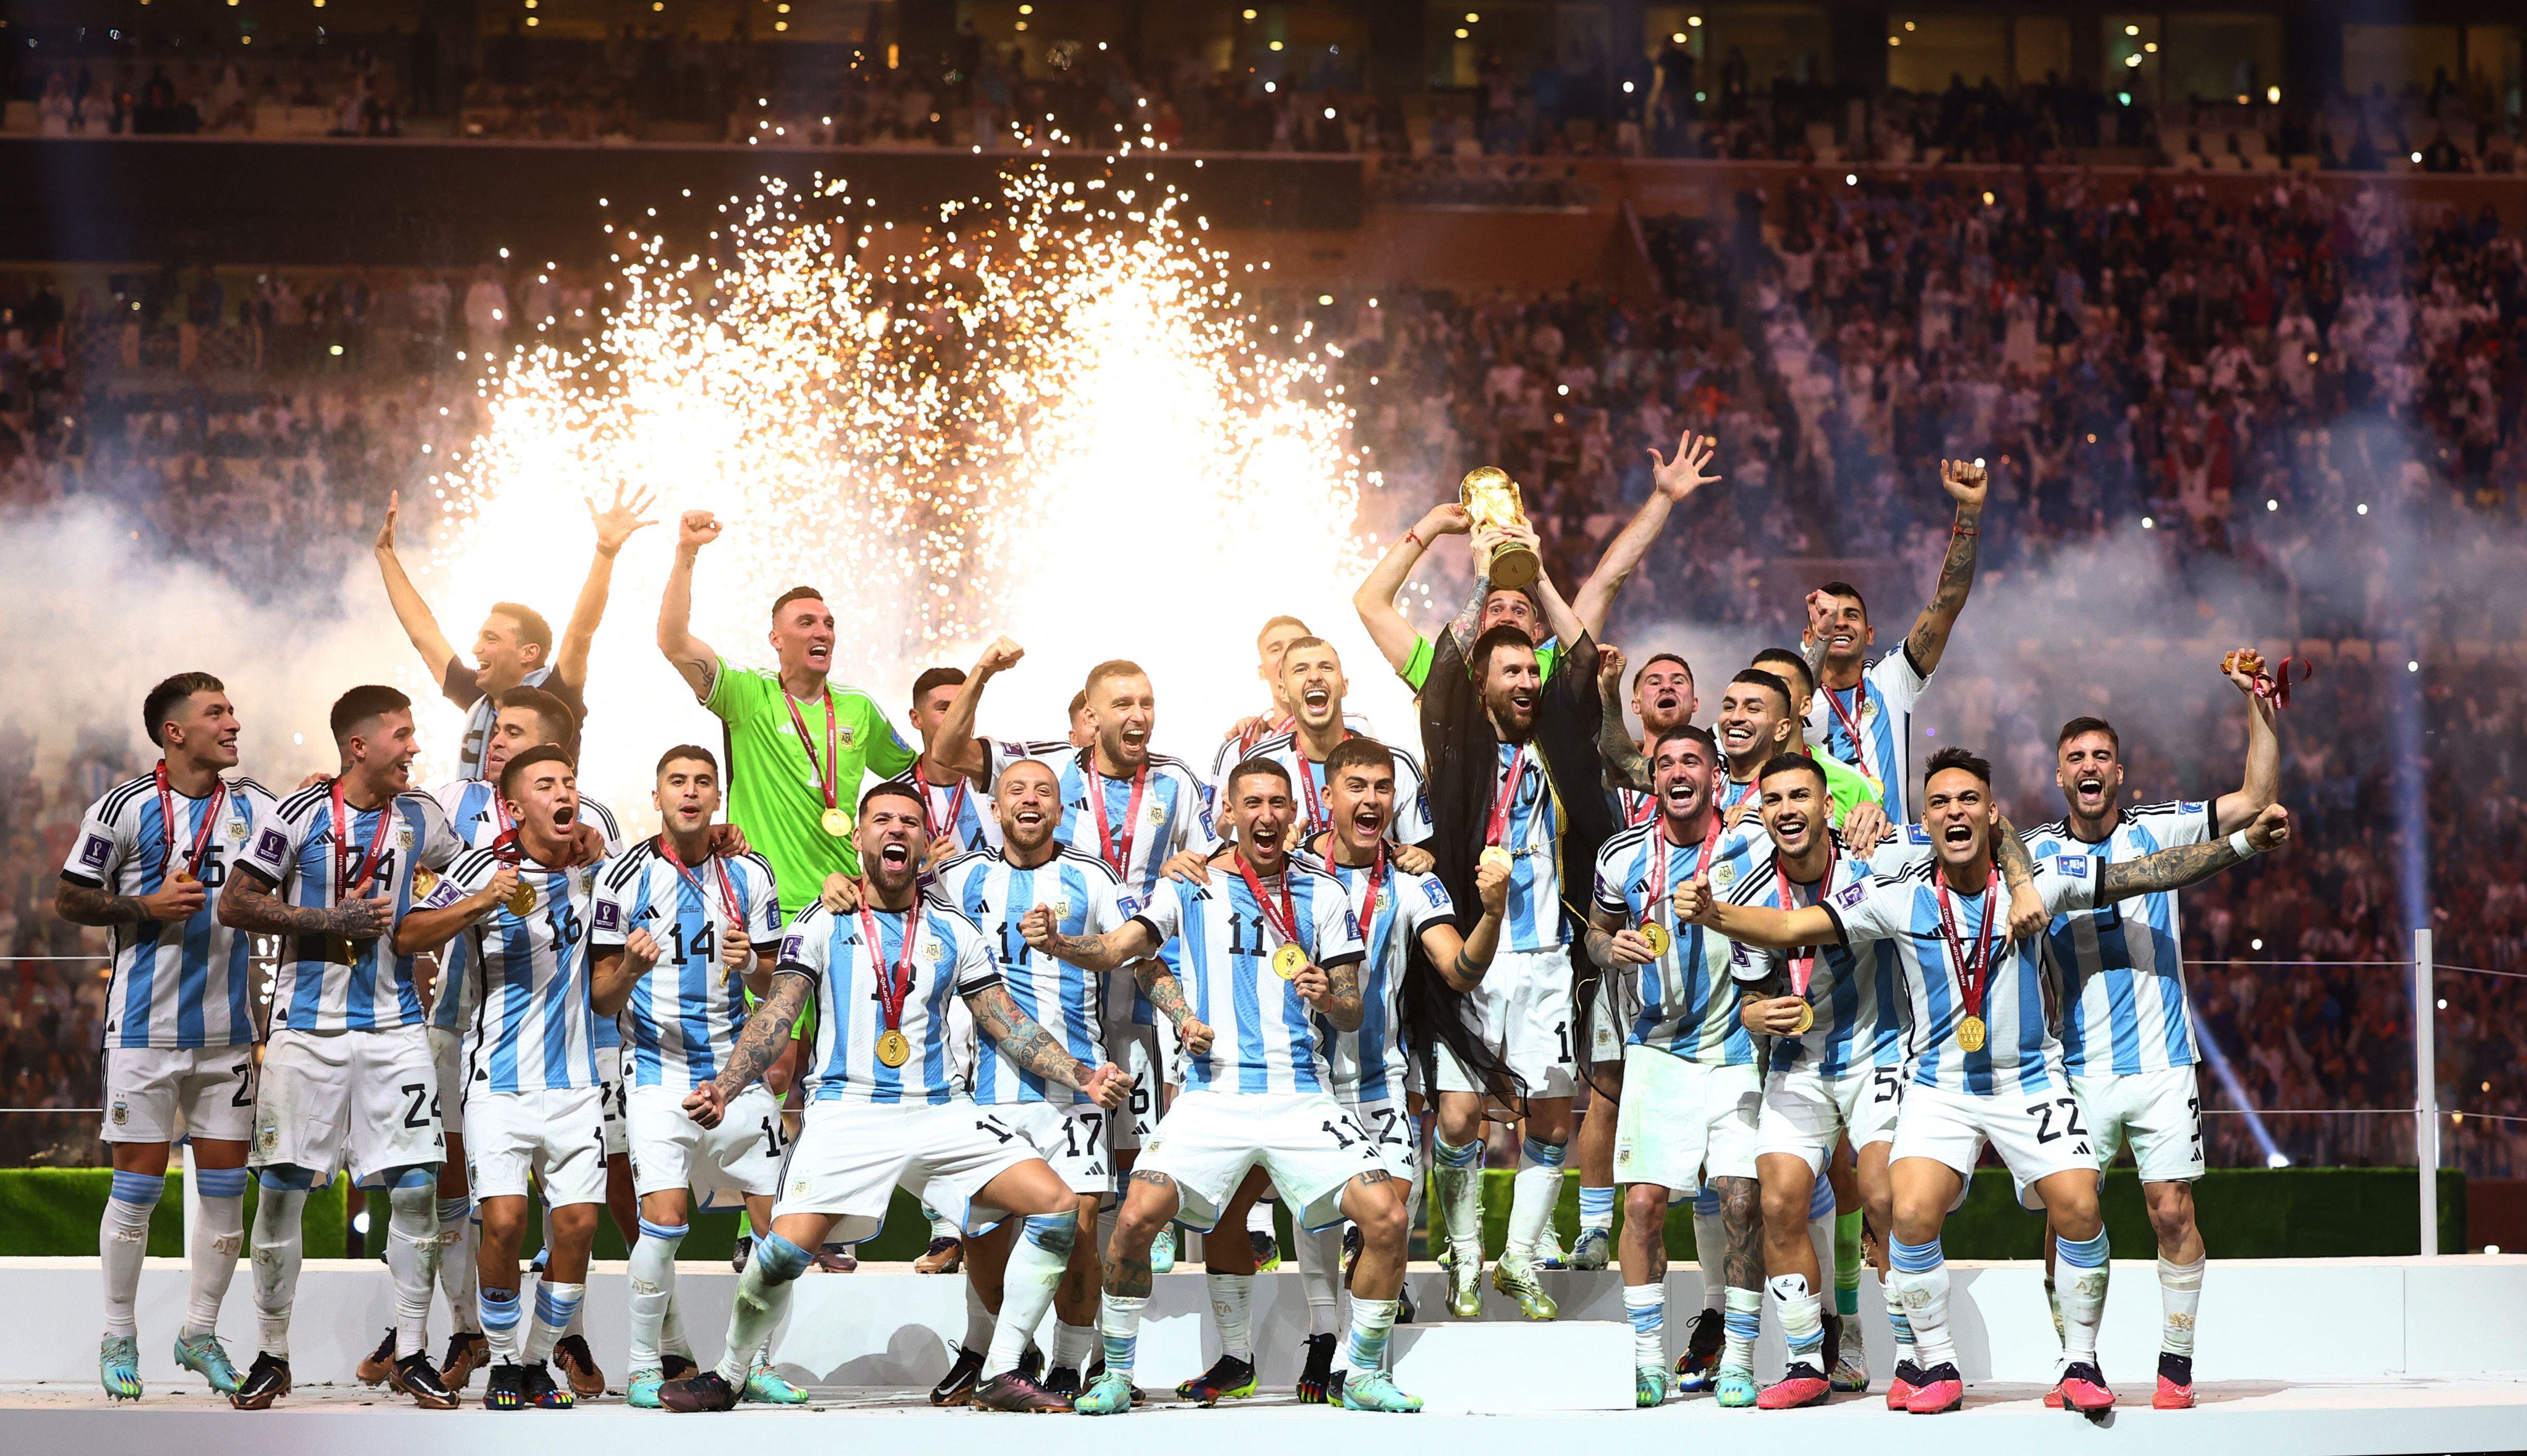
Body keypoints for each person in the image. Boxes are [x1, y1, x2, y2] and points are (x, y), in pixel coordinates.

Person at [1679, 747, 2292, 1415]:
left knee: (2080, 1205)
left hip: (2029, 1081)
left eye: (1968, 799)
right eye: (1939, 803)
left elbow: (2145, 872)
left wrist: (2239, 843)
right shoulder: (1896, 898)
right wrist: (1713, 912)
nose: (1954, 812)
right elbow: (1789, 923)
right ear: (1925, 821)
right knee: (1907, 1212)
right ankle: (1936, 1362)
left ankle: (2079, 1361)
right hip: (1939, 1086)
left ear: (1992, 815)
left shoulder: (2040, 883)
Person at [655, 782, 1126, 1413]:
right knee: (783, 1253)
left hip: (940, 1110)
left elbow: (1004, 1019)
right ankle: (730, 1372)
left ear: (928, 845)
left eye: (910, 821)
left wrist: (1079, 1073)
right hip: (846, 1112)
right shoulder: (822, 920)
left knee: (1057, 1203)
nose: (896, 829)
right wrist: (727, 1082)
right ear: (858, 837)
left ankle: (1004, 1367)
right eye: (881, 819)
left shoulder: (954, 929)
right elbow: (778, 1011)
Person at [1022, 759, 1424, 1414]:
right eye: (1251, 803)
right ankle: (1119, 1374)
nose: (1265, 815)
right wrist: (1060, 942)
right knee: (1131, 1222)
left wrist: (1330, 995)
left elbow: (1351, 1008)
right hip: (1212, 1095)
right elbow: (1118, 948)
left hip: (1300, 1094)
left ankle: (1362, 1372)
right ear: (1228, 814)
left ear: (1294, 813)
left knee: (1387, 1217)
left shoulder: (1324, 894)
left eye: (1277, 803)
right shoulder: (1188, 884)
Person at [1725, 753, 2028, 1408]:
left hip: (1884, 1054)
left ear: (1825, 806)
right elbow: (1750, 996)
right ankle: (1807, 1360)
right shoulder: (1751, 893)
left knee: (1885, 1195)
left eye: (1799, 795)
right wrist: (1756, 1013)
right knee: (1777, 1201)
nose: (1786, 810)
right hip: (1798, 1061)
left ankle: (1918, 1355)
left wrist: (2024, 883)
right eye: (1773, 799)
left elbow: (1987, 833)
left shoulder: (1880, 857)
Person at [2020, 651, 2279, 1411]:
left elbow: (2255, 798)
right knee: (2070, 1216)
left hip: (2164, 1062)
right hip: (2075, 1070)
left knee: (2171, 1210)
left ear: (2120, 775)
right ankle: (2077, 1363)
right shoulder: (2034, 853)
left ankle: (2175, 1363)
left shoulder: (2159, 828)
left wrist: (2259, 706)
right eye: (2076, 757)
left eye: (2102, 755)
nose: (2089, 765)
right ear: (2060, 776)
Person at [216, 686, 462, 1411]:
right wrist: (330, 917)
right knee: (284, 1189)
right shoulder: (292, 815)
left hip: (395, 1029)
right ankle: (272, 1354)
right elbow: (234, 902)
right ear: (359, 745)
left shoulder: (421, 816)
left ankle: (414, 1352)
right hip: (306, 1032)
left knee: (416, 1186)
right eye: (402, 734)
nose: (413, 748)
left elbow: (477, 864)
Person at [56, 673, 274, 1401]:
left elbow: (309, 831)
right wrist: (143, 905)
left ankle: (200, 1332)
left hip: (226, 1034)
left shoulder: (255, 805)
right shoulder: (121, 807)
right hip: (144, 1031)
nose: (233, 722)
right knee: (137, 1189)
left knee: (223, 1193)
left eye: (232, 709)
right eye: (217, 713)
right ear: (175, 732)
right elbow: (69, 897)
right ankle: (119, 1333)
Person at [422, 684, 621, 1395]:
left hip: (573, 1083)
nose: (564, 793)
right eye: (546, 784)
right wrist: (478, 902)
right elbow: (409, 930)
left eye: (568, 780)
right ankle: (502, 1359)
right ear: (514, 805)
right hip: (497, 1082)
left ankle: (535, 1359)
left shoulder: (597, 861)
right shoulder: (483, 869)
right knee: (502, 1224)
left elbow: (646, 869)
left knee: (575, 1228)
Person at [1418, 609, 1616, 1322]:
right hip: (1474, 955)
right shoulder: (1459, 750)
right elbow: (1440, 677)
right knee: (1459, 1115)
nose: (1528, 679)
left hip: (1548, 961)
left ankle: (1518, 1257)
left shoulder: (1556, 749)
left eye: (1533, 669)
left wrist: (1531, 572)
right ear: (1482, 686)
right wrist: (1485, 568)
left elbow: (1584, 653)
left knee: (1554, 1120)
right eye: (1513, 670)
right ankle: (1465, 1254)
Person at [1300, 737, 1507, 1399]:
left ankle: (1353, 1362)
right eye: (1355, 786)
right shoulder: (1291, 870)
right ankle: (1323, 1340)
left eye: (1382, 787)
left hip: (1379, 1076)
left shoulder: (1414, 879)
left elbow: (1459, 967)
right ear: (1328, 795)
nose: (1370, 799)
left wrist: (1494, 912)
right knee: (1316, 1215)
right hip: (1301, 1081)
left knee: (1389, 1209)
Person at [587, 745, 794, 1409]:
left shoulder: (750, 871)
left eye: (703, 781)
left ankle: (753, 1364)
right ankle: (645, 1366)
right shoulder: (622, 875)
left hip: (738, 1074)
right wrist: (631, 970)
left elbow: (777, 982)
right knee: (664, 1223)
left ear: (717, 796)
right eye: (677, 781)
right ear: (657, 795)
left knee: (778, 1232)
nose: (690, 791)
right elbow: (601, 997)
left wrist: (751, 967)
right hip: (656, 1074)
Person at [929, 758, 1131, 1400]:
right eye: (1015, 788)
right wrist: (836, 884)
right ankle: (997, 1349)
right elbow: (890, 900)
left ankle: (1072, 1363)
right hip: (982, 1085)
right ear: (995, 807)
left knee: (1078, 1231)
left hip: (1076, 1086)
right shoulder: (957, 877)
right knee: (983, 1236)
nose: (1030, 799)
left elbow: (1132, 943)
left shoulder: (1091, 876)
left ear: (1059, 807)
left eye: (1044, 790)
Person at [1581, 725, 1765, 1407]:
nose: (1678, 771)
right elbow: (1595, 932)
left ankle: (1741, 1358)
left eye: (1692, 759)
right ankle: (1648, 1360)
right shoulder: (1622, 855)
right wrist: (1609, 948)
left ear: (1715, 775)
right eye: (1666, 763)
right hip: (1657, 1052)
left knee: (1743, 1200)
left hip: (1737, 1053)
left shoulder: (1753, 844)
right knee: (1644, 1204)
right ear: (1653, 778)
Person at [657, 508, 916, 920]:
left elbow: (914, 778)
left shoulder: (859, 707)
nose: (823, 632)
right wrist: (687, 551)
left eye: (829, 624)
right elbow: (673, 642)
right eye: (807, 622)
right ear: (776, 639)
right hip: (762, 903)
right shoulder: (749, 694)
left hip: (842, 899)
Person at [1353, 430, 1720, 692]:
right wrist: (1431, 524)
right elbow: (1369, 603)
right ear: (1477, 625)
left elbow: (1607, 580)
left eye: (1519, 609)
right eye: (1495, 607)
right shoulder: (1443, 673)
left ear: (1537, 633)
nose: (1508, 614)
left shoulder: (1549, 669)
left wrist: (1662, 500)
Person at [372, 485, 654, 779]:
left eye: (491, 639)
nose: (476, 649)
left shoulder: (557, 693)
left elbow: (580, 632)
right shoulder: (479, 696)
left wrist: (606, 551)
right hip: (480, 824)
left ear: (529, 653)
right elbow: (424, 634)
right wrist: (385, 555)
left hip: (539, 823)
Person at [1798, 460, 1989, 824]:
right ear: (1809, 637)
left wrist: (1968, 514)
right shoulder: (1791, 699)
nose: (1840, 623)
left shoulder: (1891, 679)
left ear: (1869, 634)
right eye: (1827, 618)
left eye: (1851, 615)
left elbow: (1946, 603)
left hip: (1892, 856)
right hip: (1825, 858)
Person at [1233, 637, 1433, 847]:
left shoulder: (1397, 764)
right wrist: (1273, 854)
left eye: (1326, 668)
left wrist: (1417, 857)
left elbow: (1424, 853)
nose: (1315, 677)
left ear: (1344, 686)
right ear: (1283, 691)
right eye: (1301, 670)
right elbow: (1239, 856)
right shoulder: (1259, 764)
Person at [1207, 615, 1369, 783]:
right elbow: (1221, 808)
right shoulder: (1243, 746)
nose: (1287, 654)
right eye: (1275, 649)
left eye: (1297, 644)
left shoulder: (1358, 727)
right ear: (1262, 671)